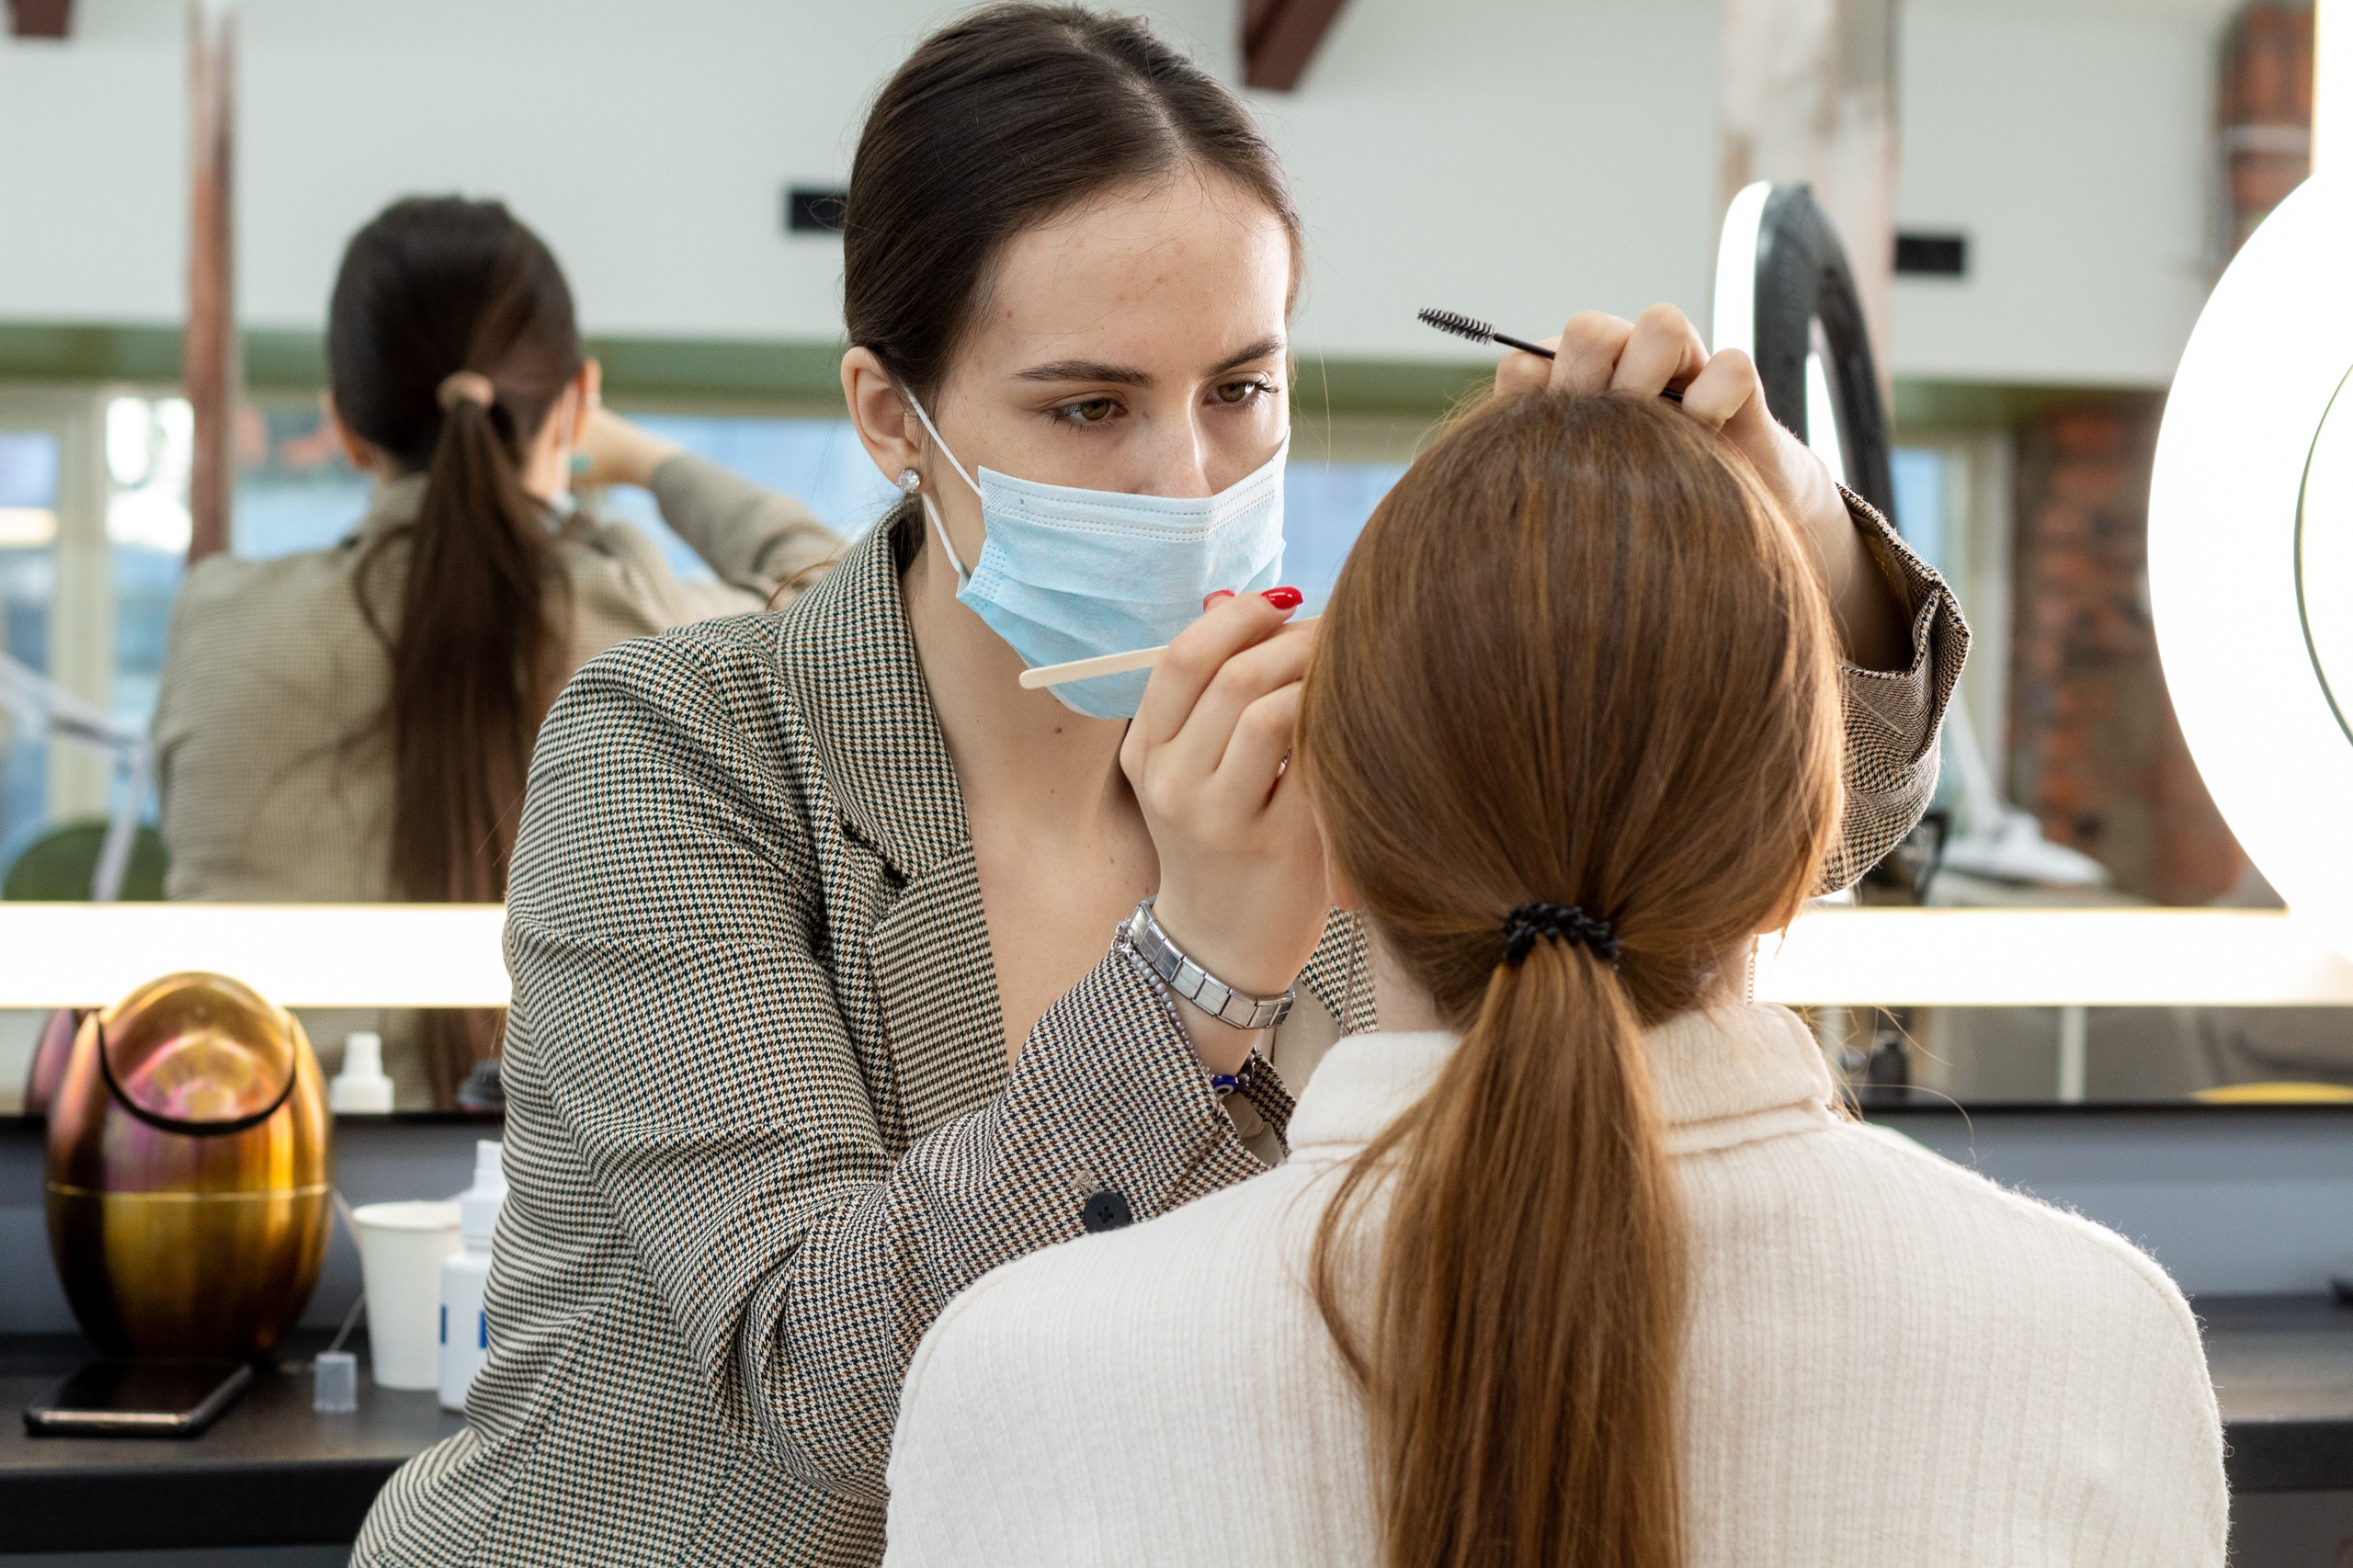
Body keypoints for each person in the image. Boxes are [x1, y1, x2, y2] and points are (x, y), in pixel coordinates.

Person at [356, 7, 1961, 1564]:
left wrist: (1790, 525)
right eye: (1089, 406)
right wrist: (1201, 972)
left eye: (1239, 391)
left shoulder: (1341, 726)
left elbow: (1797, 829)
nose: (1187, 480)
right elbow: (832, 1386)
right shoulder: (681, 752)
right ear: (890, 419)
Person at [881, 388, 2227, 1567]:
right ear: (1803, 849)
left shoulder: (1021, 1374)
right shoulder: (2096, 1339)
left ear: (1326, 828)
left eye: (1242, 386)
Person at [151, 197, 835, 1107]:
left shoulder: (220, 619)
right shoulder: (646, 618)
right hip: (551, 1203)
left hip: (270, 1169)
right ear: (575, 404)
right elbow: (838, 596)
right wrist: (643, 459)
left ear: (346, 426)